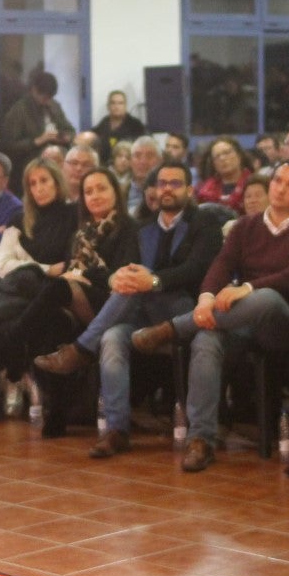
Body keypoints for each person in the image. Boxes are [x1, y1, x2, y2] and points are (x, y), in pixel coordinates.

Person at [131, 160, 289, 473]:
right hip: (239, 321)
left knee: (264, 298)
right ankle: (202, 439)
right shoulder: (245, 226)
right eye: (278, 180)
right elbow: (220, 266)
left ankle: (172, 329)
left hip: (285, 322)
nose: (280, 188)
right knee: (207, 339)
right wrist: (206, 299)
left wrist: (247, 287)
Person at [32, 161, 223, 457]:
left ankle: (81, 350)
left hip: (187, 308)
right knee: (111, 337)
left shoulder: (205, 224)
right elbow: (129, 269)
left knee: (133, 288)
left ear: (188, 189)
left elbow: (196, 269)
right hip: (142, 311)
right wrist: (119, 277)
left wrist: (154, 280)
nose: (168, 189)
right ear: (154, 190)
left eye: (175, 183)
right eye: (162, 183)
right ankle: (117, 429)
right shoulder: (144, 228)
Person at [1, 167, 139, 434]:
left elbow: (125, 274)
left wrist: (86, 274)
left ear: (115, 192)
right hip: (79, 297)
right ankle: (58, 411)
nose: (95, 195)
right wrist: (77, 277)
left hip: (114, 304)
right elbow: (69, 270)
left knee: (59, 287)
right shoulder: (80, 232)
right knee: (53, 324)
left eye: (102, 188)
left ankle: (14, 337)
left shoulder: (127, 227)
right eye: (88, 191)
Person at [0, 71, 74, 193]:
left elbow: (69, 129)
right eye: (43, 96)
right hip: (30, 161)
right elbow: (10, 146)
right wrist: (38, 141)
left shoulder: (54, 105)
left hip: (57, 157)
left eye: (49, 97)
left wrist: (65, 137)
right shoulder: (19, 110)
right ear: (34, 90)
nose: (46, 100)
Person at [194, 135, 252, 214]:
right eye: (217, 156)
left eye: (227, 153)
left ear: (239, 155)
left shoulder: (254, 184)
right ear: (213, 163)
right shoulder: (203, 191)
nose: (222, 158)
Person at [90, 89, 145, 163]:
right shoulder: (101, 127)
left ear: (125, 106)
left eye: (120, 103)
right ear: (108, 106)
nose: (116, 106)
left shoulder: (136, 126)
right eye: (113, 103)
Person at [125, 134, 162, 214]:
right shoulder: (119, 192)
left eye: (149, 156)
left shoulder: (166, 192)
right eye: (137, 156)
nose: (143, 161)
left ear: (160, 161)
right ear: (130, 161)